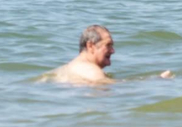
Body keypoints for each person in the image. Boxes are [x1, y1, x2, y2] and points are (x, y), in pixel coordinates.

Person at [43, 24, 171, 85]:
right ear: (91, 46)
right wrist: (157, 81)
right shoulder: (92, 71)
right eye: (108, 45)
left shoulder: (68, 67)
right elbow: (117, 89)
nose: (113, 51)